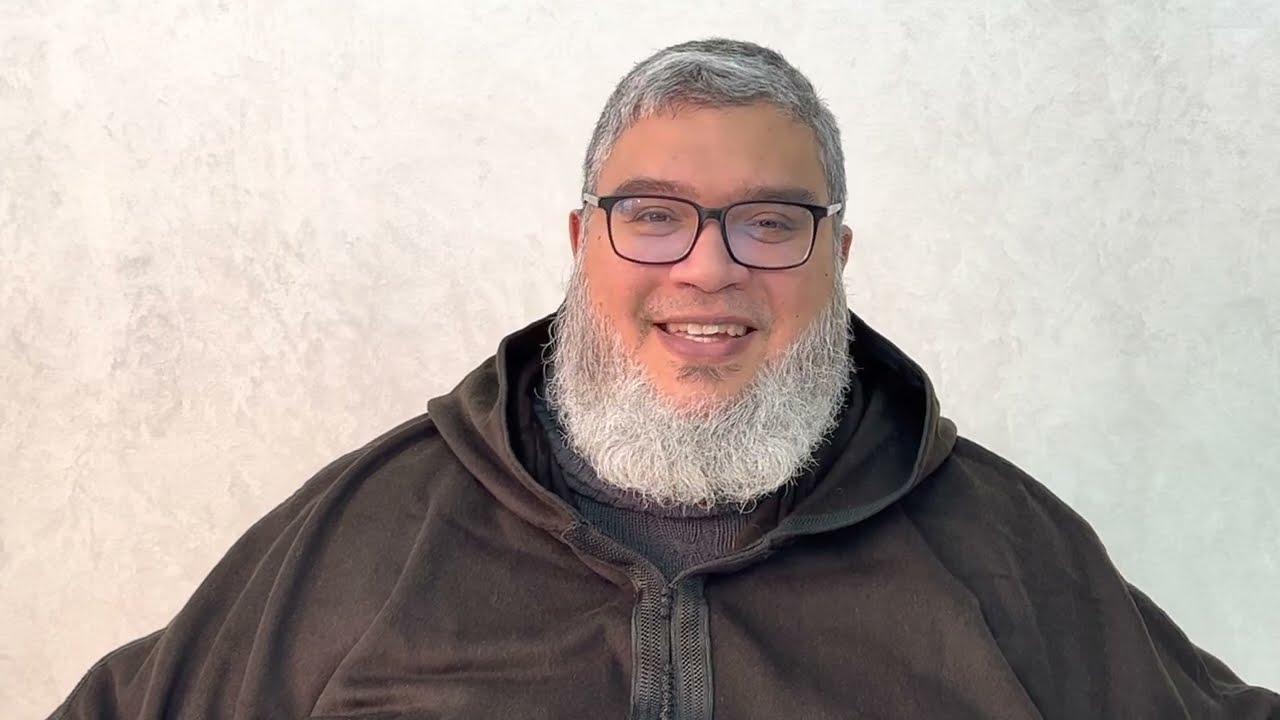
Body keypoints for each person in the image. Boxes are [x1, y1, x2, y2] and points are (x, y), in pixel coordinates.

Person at [51, 38, 1277, 720]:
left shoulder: (1000, 547)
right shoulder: (367, 536)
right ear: (580, 243)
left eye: (768, 222)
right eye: (652, 216)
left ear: (835, 259)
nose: (707, 267)